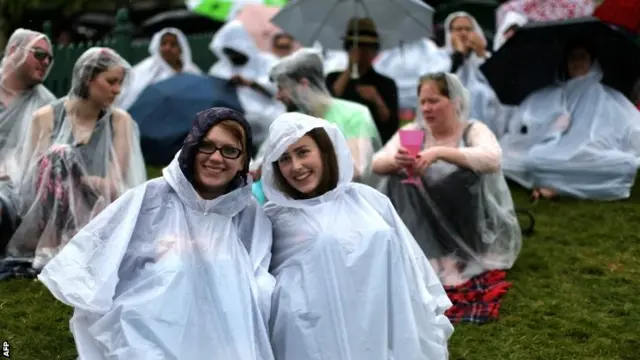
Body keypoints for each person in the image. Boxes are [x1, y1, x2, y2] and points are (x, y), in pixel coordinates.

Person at [38, 107, 276, 360]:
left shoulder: (248, 211)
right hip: (151, 328)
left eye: (230, 150)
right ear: (192, 147)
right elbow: (103, 252)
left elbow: (259, 279)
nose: (216, 158)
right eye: (207, 146)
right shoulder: (153, 196)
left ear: (243, 161)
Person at [262, 112, 453, 360]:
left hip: (384, 318)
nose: (296, 166)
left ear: (324, 151)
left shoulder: (367, 199)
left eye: (302, 152)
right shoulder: (275, 218)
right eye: (284, 158)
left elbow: (406, 261)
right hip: (318, 335)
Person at [1, 47, 147, 270]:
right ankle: (52, 242)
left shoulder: (119, 121)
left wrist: (76, 177)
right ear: (88, 78)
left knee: (62, 156)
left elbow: (115, 186)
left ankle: (69, 244)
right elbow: (32, 183)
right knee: (59, 154)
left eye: (120, 83)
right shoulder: (46, 117)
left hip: (95, 210)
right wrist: (66, 172)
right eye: (111, 82)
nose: (117, 90)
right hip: (49, 212)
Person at [371, 72, 522, 286]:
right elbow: (376, 163)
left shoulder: (472, 129)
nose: (426, 108)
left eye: (434, 101)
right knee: (398, 178)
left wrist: (439, 153)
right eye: (422, 102)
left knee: (463, 174)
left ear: (455, 102)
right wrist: (397, 160)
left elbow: (493, 159)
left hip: (465, 223)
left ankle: (456, 255)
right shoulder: (414, 132)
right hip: (424, 222)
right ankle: (430, 255)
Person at [501, 41, 640, 201]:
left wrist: (593, 142)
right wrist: (553, 126)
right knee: (534, 160)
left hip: (590, 153)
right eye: (573, 58)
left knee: (624, 165)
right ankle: (560, 186)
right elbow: (531, 124)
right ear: (566, 63)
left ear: (591, 62)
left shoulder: (602, 93)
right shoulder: (555, 92)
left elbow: (622, 127)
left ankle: (552, 185)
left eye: (582, 57)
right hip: (558, 150)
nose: (577, 62)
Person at [209, 20, 285, 151]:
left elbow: (278, 90)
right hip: (234, 119)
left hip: (269, 115)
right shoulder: (219, 69)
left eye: (233, 50)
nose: (231, 55)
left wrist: (250, 84)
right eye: (227, 51)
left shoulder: (267, 61)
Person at [325, 17, 399, 143]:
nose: (362, 53)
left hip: (374, 144)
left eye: (368, 48)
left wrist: (376, 100)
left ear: (375, 52)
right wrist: (349, 70)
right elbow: (327, 105)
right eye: (357, 47)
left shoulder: (386, 83)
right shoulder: (333, 78)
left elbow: (391, 124)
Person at [0, 29, 56, 177]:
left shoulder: (46, 105)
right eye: (39, 54)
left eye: (49, 58)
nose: (45, 62)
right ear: (13, 50)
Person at [444, 12, 509, 138]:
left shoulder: (485, 58)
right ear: (450, 33)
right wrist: (458, 55)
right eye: (458, 29)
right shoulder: (439, 59)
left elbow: (499, 83)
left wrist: (481, 54)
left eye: (468, 29)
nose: (463, 33)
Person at [116, 28, 202, 110]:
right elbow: (132, 94)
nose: (167, 48)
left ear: (181, 48)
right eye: (163, 44)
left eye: (173, 44)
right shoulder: (146, 69)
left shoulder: (191, 70)